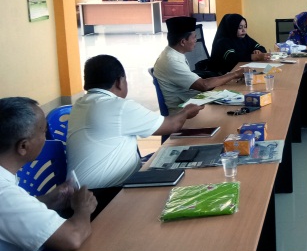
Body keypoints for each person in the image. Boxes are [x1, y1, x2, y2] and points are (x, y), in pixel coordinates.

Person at [67, 55, 204, 214]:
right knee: (188, 185)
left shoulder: (79, 105)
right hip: (105, 196)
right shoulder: (118, 107)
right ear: (119, 82)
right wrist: (186, 111)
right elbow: (172, 125)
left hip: (80, 197)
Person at [0, 97, 97, 251]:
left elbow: (10, 214)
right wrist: (83, 209)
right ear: (23, 146)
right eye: (44, 132)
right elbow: (72, 238)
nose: (45, 138)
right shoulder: (4, 193)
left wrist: (48, 200)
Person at [153, 16, 245, 114]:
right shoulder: (172, 61)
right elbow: (204, 85)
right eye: (194, 37)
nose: (196, 40)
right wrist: (235, 74)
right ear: (183, 42)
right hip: (183, 111)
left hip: (193, 101)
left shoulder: (174, 53)